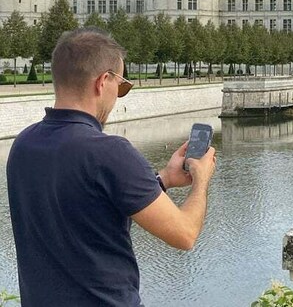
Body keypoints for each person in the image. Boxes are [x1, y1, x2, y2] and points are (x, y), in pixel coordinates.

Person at [6, 28, 217, 307]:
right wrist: (201, 179)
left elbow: (90, 208)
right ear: (103, 82)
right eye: (122, 86)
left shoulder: (23, 145)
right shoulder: (110, 152)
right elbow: (185, 234)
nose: (119, 97)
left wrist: (164, 178)